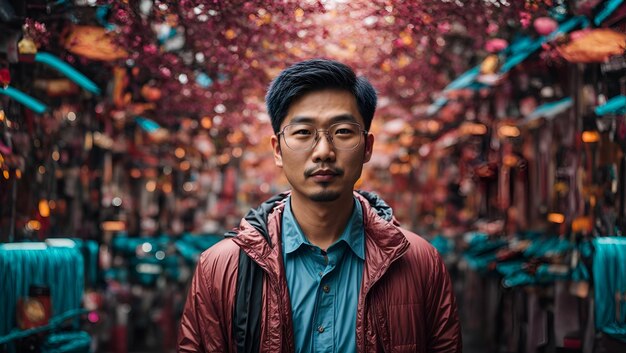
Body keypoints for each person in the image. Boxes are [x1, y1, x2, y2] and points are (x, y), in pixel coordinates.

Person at [178, 59, 462, 353]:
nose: (323, 152)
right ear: (277, 149)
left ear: (367, 147)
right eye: (303, 133)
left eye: (342, 132)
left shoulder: (421, 264)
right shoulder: (221, 269)